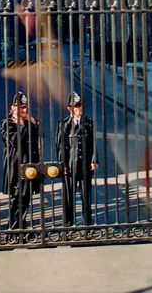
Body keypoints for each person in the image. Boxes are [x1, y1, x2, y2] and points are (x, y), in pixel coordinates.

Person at [56, 92, 98, 226]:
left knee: (86, 197)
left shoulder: (89, 123)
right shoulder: (63, 124)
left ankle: (87, 225)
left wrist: (94, 160)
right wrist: (63, 165)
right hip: (70, 165)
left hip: (85, 165)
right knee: (69, 197)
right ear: (69, 109)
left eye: (80, 105)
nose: (79, 108)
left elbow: (93, 143)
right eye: (76, 106)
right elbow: (61, 146)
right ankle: (69, 225)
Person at [1, 91, 40, 231]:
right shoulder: (7, 123)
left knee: (25, 199)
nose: (23, 110)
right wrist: (22, 124)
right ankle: (14, 230)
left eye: (24, 107)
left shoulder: (29, 122)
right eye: (19, 107)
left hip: (30, 166)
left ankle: (21, 228)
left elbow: (39, 135)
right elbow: (15, 140)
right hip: (16, 168)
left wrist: (31, 121)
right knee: (17, 200)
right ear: (12, 108)